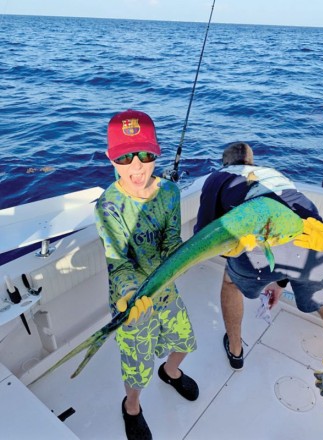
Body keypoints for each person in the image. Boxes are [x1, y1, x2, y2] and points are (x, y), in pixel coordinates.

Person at [95, 109, 198, 440]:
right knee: (137, 370)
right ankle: (132, 407)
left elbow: (172, 242)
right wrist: (129, 296)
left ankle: (170, 372)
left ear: (156, 152)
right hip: (131, 301)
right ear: (112, 160)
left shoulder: (169, 193)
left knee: (184, 341)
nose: (136, 165)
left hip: (165, 287)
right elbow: (118, 262)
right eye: (125, 157)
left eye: (144, 154)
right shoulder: (108, 205)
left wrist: (197, 252)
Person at [194, 141, 323, 371]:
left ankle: (236, 349)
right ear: (251, 162)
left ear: (225, 163)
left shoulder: (217, 177)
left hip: (260, 251)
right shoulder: (274, 174)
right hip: (317, 241)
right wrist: (280, 280)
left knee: (230, 283)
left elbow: (202, 235)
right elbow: (292, 239)